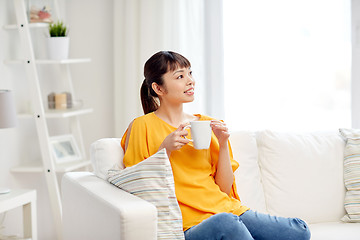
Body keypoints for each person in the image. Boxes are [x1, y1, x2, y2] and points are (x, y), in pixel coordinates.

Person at [121, 51, 311, 240]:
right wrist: (165, 150)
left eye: (190, 73)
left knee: (300, 230)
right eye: (180, 76)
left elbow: (224, 189)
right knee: (226, 223)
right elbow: (139, 186)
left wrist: (222, 144)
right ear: (158, 88)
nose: (190, 81)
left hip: (228, 210)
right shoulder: (142, 126)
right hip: (190, 224)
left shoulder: (207, 124)